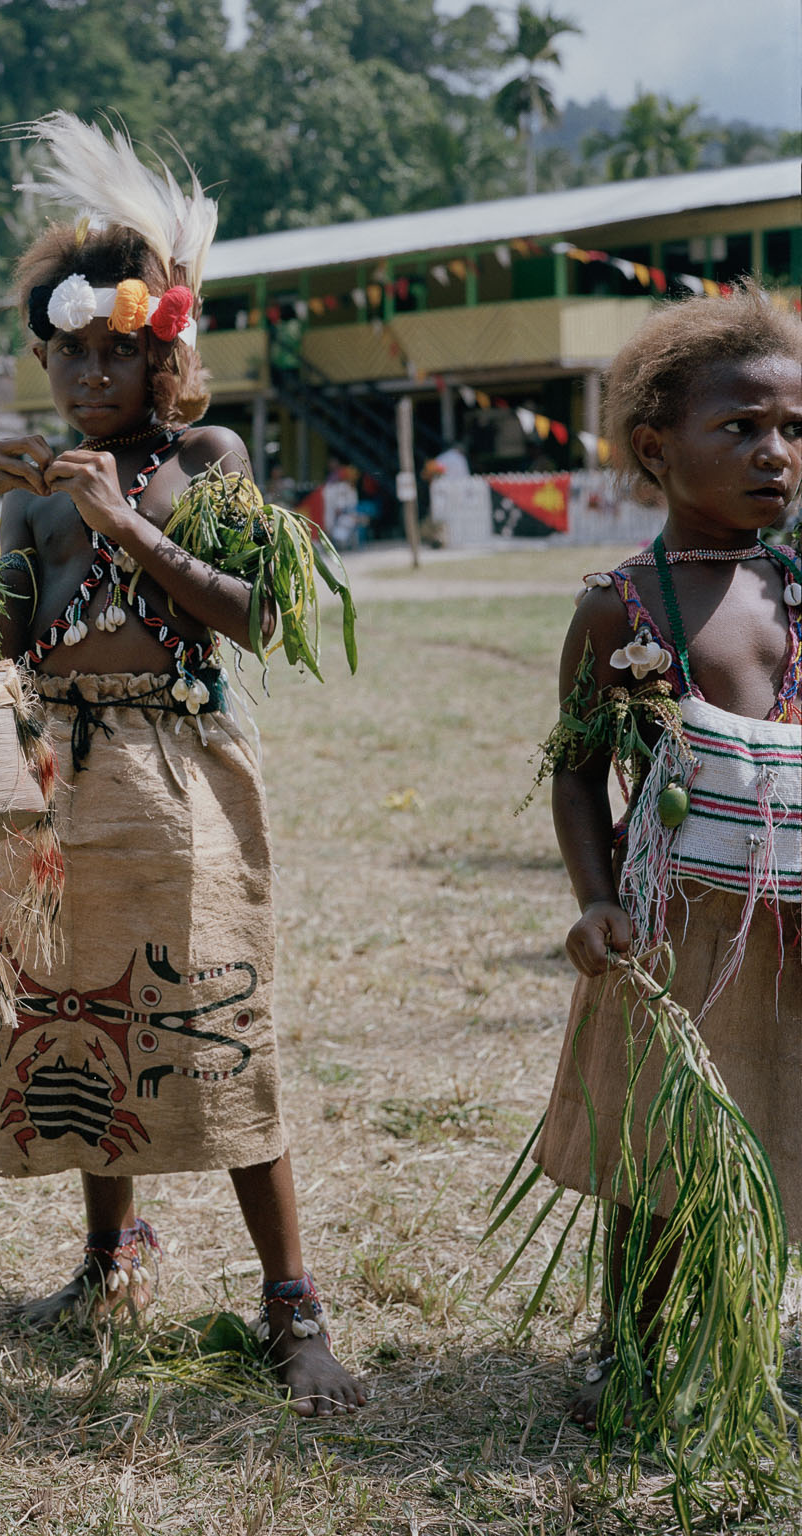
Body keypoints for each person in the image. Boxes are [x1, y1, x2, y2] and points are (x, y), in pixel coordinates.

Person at [0, 114, 364, 1416]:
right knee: (77, 1009)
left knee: (215, 1015)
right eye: (67, 356)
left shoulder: (208, 464)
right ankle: (110, 1256)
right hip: (52, 776)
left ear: (164, 354)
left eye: (116, 355)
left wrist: (129, 523)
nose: (87, 381)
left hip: (182, 768)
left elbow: (262, 617)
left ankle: (292, 1305)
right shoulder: (23, 493)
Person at [525, 286, 802, 1427]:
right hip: (678, 935)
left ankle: (748, 1345)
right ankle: (633, 1355)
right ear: (656, 446)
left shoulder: (799, 592)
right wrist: (596, 903)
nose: (776, 454)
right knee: (665, 1150)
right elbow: (579, 772)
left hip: (793, 931)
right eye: (740, 428)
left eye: (794, 430)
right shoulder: (622, 607)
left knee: (780, 1136)